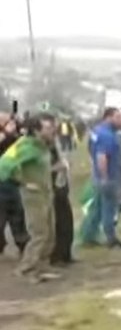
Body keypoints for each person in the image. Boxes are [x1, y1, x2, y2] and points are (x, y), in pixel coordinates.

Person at [0, 114, 58, 282]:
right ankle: (26, 269)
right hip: (33, 196)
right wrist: (22, 182)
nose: (52, 129)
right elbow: (4, 165)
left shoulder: (42, 146)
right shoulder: (25, 146)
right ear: (36, 130)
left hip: (46, 193)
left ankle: (42, 267)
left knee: (49, 232)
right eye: (48, 127)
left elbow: (37, 167)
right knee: (38, 234)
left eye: (52, 126)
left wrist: (56, 168)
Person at [79, 107, 121, 247]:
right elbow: (102, 156)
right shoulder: (107, 135)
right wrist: (105, 177)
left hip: (98, 175)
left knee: (97, 208)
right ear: (108, 117)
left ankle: (88, 236)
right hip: (108, 176)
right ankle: (110, 238)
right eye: (118, 117)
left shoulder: (97, 131)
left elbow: (91, 150)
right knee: (108, 208)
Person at [0, 113, 29, 259]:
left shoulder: (14, 137)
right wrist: (6, 132)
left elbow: (21, 145)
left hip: (12, 180)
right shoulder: (5, 135)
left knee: (17, 213)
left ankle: (22, 244)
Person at [48, 140, 74, 266]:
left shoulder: (55, 144)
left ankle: (66, 254)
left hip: (61, 187)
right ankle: (56, 256)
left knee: (67, 223)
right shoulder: (37, 148)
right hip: (50, 189)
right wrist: (55, 168)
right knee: (57, 224)